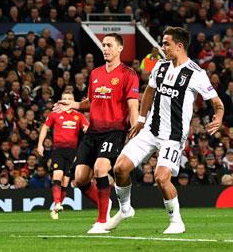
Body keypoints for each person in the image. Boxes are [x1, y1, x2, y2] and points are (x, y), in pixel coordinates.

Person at [109, 27, 224, 234]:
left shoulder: (196, 74)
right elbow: (149, 92)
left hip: (172, 137)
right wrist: (142, 119)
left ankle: (176, 222)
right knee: (119, 168)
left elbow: (217, 103)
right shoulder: (160, 67)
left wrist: (218, 117)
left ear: (179, 46)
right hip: (150, 130)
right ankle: (125, 209)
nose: (162, 47)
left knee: (161, 178)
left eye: (166, 44)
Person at [55, 33, 139, 234]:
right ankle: (106, 205)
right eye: (103, 45)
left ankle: (102, 221)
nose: (105, 49)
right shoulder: (96, 73)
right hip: (93, 132)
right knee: (80, 178)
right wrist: (73, 105)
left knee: (101, 168)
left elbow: (133, 106)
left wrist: (135, 130)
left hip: (114, 131)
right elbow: (91, 102)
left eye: (109, 45)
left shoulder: (128, 74)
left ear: (120, 49)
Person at [38, 91, 89, 220]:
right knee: (57, 175)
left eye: (69, 98)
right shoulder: (55, 114)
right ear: (60, 100)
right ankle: (57, 203)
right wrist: (40, 144)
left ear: (73, 101)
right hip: (58, 150)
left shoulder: (79, 115)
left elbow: (87, 129)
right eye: (64, 98)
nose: (66, 100)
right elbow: (45, 128)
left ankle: (56, 209)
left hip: (73, 152)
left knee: (66, 181)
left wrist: (87, 131)